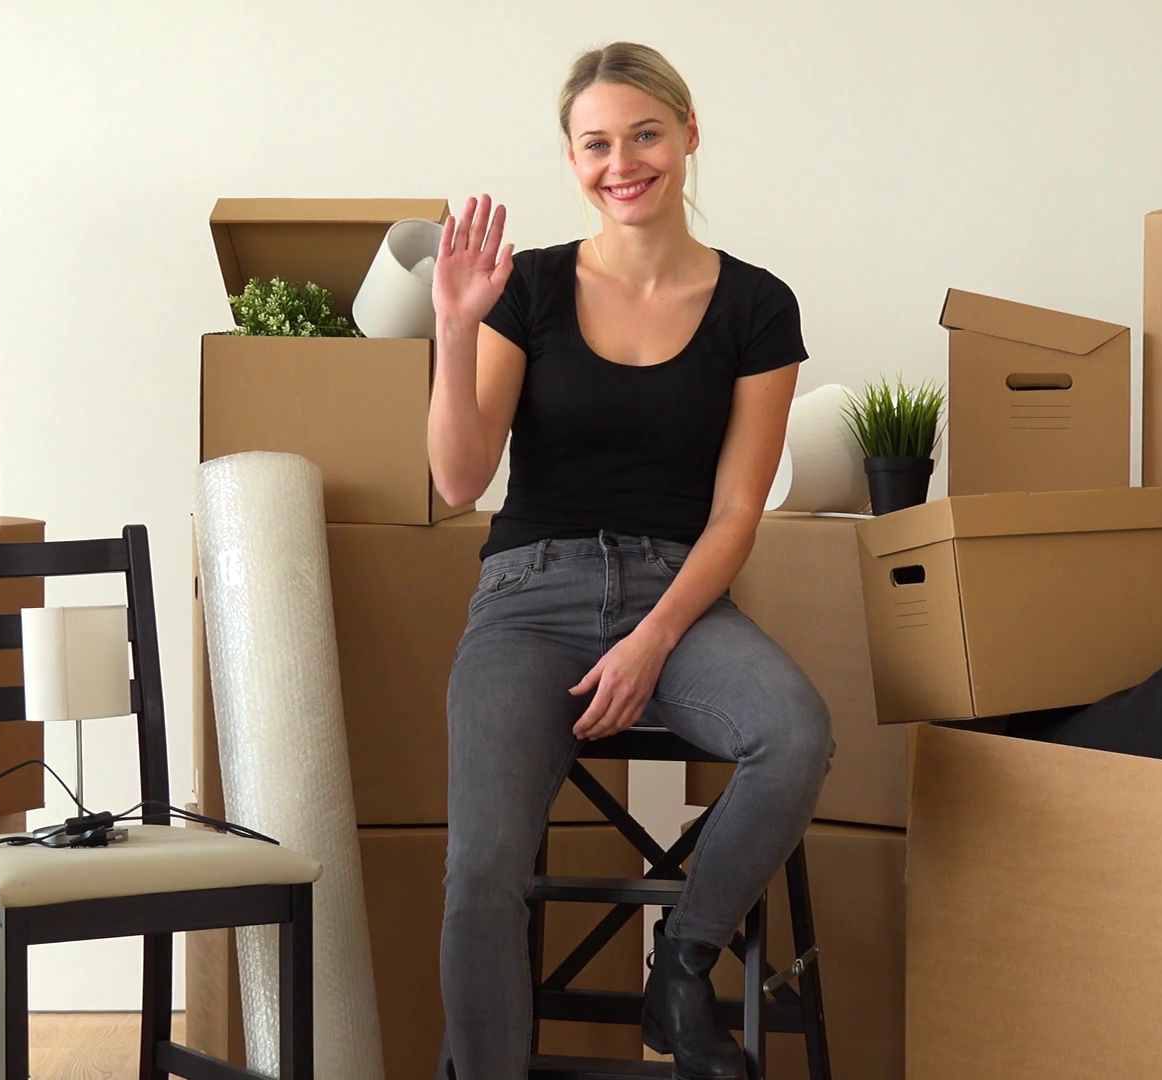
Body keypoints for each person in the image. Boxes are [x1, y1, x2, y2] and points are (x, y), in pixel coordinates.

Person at [426, 39, 836, 1080]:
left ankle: (682, 968)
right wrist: (454, 330)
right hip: (528, 600)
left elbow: (739, 510)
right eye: (597, 143)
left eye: (645, 134)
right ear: (571, 159)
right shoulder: (529, 290)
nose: (624, 161)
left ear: (688, 136)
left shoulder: (757, 307)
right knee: (481, 871)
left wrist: (654, 641)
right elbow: (460, 482)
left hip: (679, 595)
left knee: (793, 733)